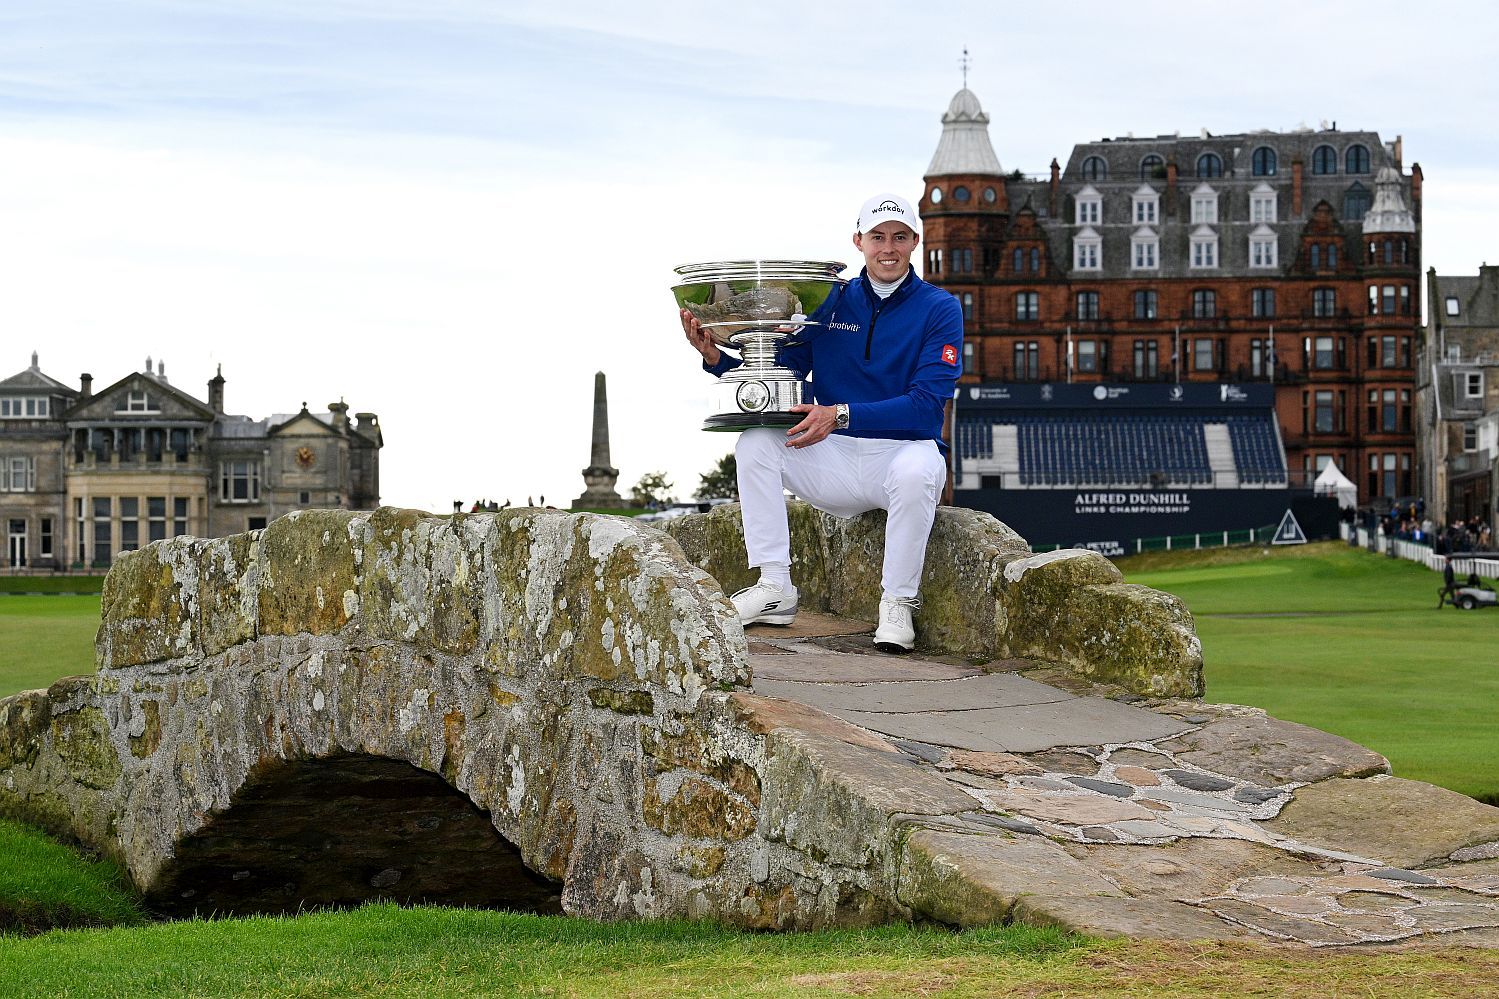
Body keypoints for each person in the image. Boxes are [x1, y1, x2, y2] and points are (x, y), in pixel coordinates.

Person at [680, 192, 962, 653]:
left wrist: (841, 413)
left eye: (899, 237)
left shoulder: (940, 308)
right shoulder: (830, 301)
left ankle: (897, 602)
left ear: (915, 242)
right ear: (859, 241)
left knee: (918, 469)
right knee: (756, 443)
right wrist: (716, 357)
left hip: (899, 454)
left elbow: (927, 405)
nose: (887, 248)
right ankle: (775, 588)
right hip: (832, 455)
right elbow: (782, 374)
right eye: (877, 237)